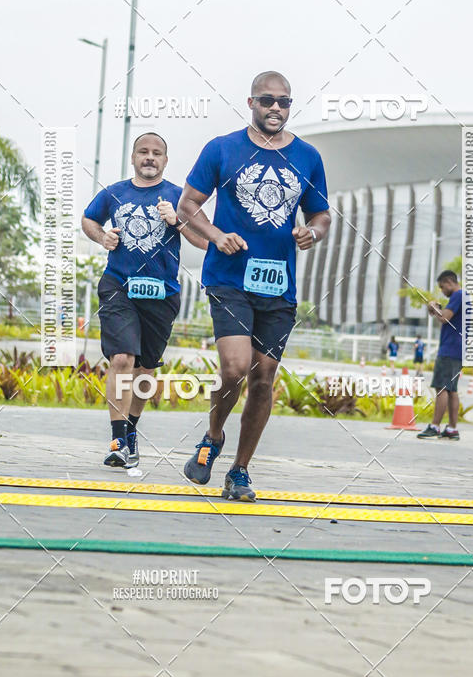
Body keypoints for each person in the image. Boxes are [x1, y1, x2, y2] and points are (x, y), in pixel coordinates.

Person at [177, 71, 331, 501]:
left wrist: (312, 234)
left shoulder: (307, 157)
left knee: (263, 377)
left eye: (284, 101)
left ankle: (239, 471)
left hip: (278, 286)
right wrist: (215, 235)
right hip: (229, 278)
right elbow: (188, 204)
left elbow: (322, 216)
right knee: (235, 368)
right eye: (267, 101)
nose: (276, 109)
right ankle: (212, 437)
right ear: (251, 103)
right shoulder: (223, 149)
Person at [82, 132, 207, 468]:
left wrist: (176, 221)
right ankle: (117, 439)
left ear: (165, 160)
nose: (150, 158)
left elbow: (204, 242)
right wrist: (102, 235)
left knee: (145, 368)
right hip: (118, 285)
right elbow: (88, 220)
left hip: (162, 292)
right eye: (143, 152)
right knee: (122, 358)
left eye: (157, 153)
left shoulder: (180, 198)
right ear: (134, 158)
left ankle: (131, 431)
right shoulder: (114, 193)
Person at [417, 270, 465, 441]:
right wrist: (437, 310)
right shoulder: (464, 297)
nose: (442, 291)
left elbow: (445, 318)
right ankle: (452, 429)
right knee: (452, 390)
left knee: (442, 388)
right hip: (459, 351)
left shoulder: (458, 296)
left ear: (449, 282)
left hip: (449, 350)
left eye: (442, 287)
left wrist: (434, 308)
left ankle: (434, 426)